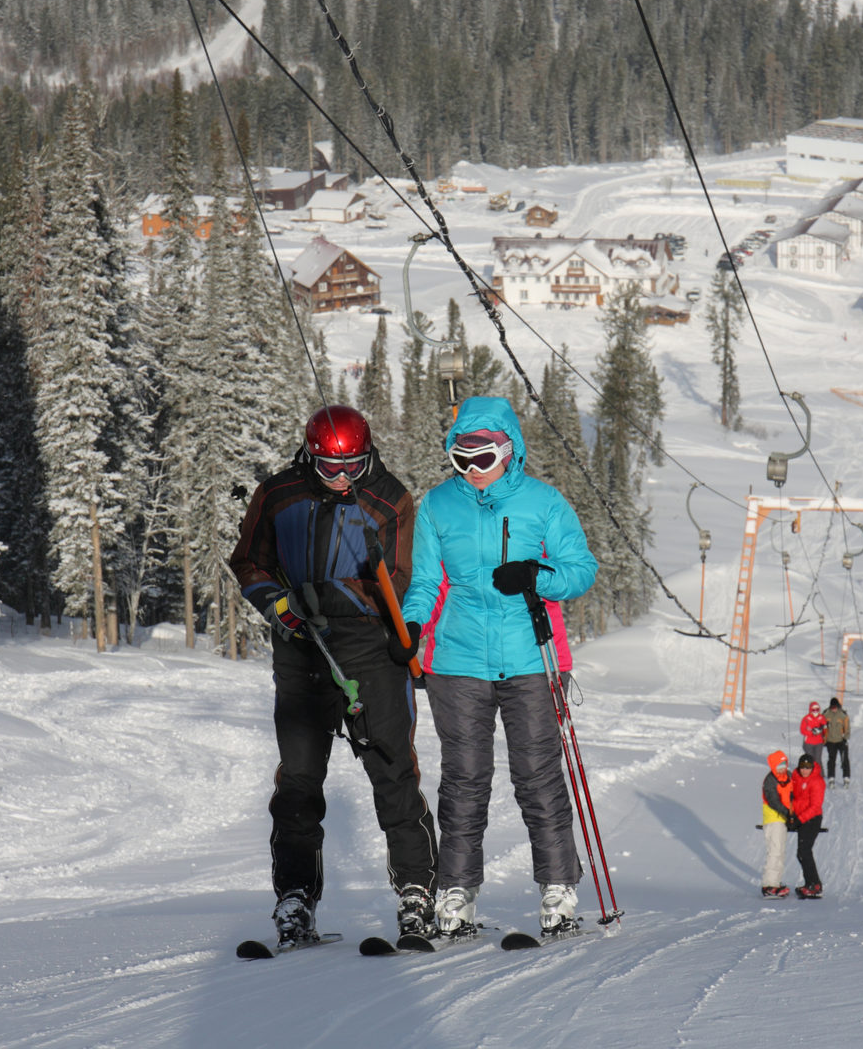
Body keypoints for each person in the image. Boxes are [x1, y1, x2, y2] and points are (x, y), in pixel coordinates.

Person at [229, 405, 438, 946]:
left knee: (391, 766)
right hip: (300, 646)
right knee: (299, 777)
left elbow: (392, 577)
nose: (342, 477)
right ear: (309, 454)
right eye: (329, 468)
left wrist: (325, 595)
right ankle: (295, 897)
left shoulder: (388, 498)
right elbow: (249, 561)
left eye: (353, 466)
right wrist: (278, 603)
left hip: (367, 646)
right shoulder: (278, 494)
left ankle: (416, 892)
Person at [395, 397, 598, 939]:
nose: (472, 470)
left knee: (538, 776)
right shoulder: (438, 507)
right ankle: (456, 892)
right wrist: (411, 628)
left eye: (482, 458)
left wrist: (537, 574)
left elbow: (581, 570)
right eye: (461, 459)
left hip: (532, 657)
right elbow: (425, 584)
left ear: (508, 451)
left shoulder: (543, 503)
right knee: (464, 780)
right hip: (457, 662)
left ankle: (558, 889)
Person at [759, 750, 796, 898]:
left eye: (784, 764)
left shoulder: (789, 776)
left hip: (784, 818)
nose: (782, 768)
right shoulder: (770, 780)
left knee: (780, 851)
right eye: (778, 765)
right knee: (774, 851)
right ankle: (769, 885)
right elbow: (774, 801)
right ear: (773, 766)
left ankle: (776, 882)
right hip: (774, 818)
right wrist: (787, 813)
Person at [791, 752, 826, 898]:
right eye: (802, 767)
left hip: (812, 819)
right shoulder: (796, 777)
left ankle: (814, 884)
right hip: (800, 817)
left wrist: (800, 819)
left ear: (812, 767)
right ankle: (810, 883)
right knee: (801, 853)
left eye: (808, 767)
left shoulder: (817, 781)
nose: (805, 770)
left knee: (804, 852)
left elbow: (815, 806)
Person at [823, 696, 851, 786]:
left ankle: (846, 777)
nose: (833, 709)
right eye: (832, 707)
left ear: (838, 706)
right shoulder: (826, 714)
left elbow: (847, 727)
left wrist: (845, 738)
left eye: (835, 707)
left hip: (840, 740)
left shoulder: (843, 715)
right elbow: (822, 726)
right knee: (831, 760)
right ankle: (831, 777)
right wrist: (824, 739)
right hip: (830, 741)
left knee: (844, 759)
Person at [799, 700, 827, 764]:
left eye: (817, 709)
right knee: (810, 760)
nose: (815, 711)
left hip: (819, 742)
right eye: (813, 710)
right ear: (810, 710)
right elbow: (802, 730)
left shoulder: (821, 717)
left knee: (818, 761)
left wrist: (821, 729)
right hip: (809, 743)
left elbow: (825, 727)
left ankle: (820, 774)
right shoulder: (806, 718)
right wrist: (812, 732)